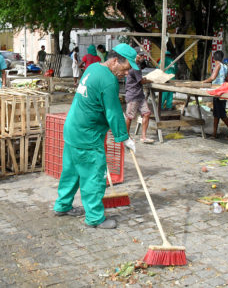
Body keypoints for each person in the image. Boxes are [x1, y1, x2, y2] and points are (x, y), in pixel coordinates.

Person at [54, 43, 138, 229]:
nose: (126, 74)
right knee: (93, 176)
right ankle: (94, 218)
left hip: (73, 128)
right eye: (125, 69)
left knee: (72, 171)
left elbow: (95, 102)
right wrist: (123, 137)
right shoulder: (109, 80)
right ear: (115, 61)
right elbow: (113, 111)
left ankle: (62, 205)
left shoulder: (93, 68)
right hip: (87, 135)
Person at [202, 50, 228, 140]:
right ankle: (214, 133)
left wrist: (203, 82)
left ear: (214, 58)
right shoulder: (225, 66)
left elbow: (212, 78)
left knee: (222, 114)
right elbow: (227, 79)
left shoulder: (218, 66)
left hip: (218, 92)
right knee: (216, 114)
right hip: (222, 92)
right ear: (222, 58)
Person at [125, 52, 154, 144]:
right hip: (133, 95)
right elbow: (141, 81)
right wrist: (150, 79)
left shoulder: (136, 66)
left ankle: (143, 137)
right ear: (135, 56)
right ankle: (126, 136)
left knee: (146, 113)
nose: (142, 57)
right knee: (129, 116)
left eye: (142, 55)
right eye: (140, 55)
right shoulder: (134, 67)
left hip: (140, 94)